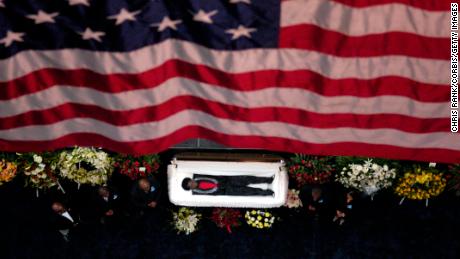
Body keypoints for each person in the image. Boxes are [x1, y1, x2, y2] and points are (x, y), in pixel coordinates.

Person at [181, 174, 275, 196]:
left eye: (191, 181)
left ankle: (269, 180)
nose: (193, 183)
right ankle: (269, 193)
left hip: (227, 180)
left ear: (192, 179)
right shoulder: (197, 194)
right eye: (191, 185)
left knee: (250, 179)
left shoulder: (198, 175)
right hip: (227, 191)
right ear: (190, 188)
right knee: (250, 191)